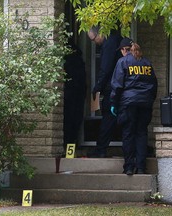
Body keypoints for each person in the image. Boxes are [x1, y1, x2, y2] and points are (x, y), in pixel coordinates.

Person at [110, 38, 157, 175]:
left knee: (128, 134)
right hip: (145, 103)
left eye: (121, 51)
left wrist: (113, 103)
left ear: (125, 50)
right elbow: (154, 84)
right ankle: (141, 167)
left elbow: (117, 86)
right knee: (141, 133)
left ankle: (129, 167)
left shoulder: (123, 62)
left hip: (128, 104)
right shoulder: (147, 63)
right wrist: (149, 100)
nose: (121, 53)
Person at [87, 26, 123, 158]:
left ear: (100, 34)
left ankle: (101, 149)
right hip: (121, 87)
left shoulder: (109, 45)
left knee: (108, 117)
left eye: (93, 39)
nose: (94, 42)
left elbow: (106, 69)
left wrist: (98, 87)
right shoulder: (117, 40)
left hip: (112, 88)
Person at [63, 39, 86, 150]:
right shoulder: (79, 60)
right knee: (75, 122)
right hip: (78, 94)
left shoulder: (67, 61)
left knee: (68, 122)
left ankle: (68, 147)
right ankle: (71, 146)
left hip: (70, 94)